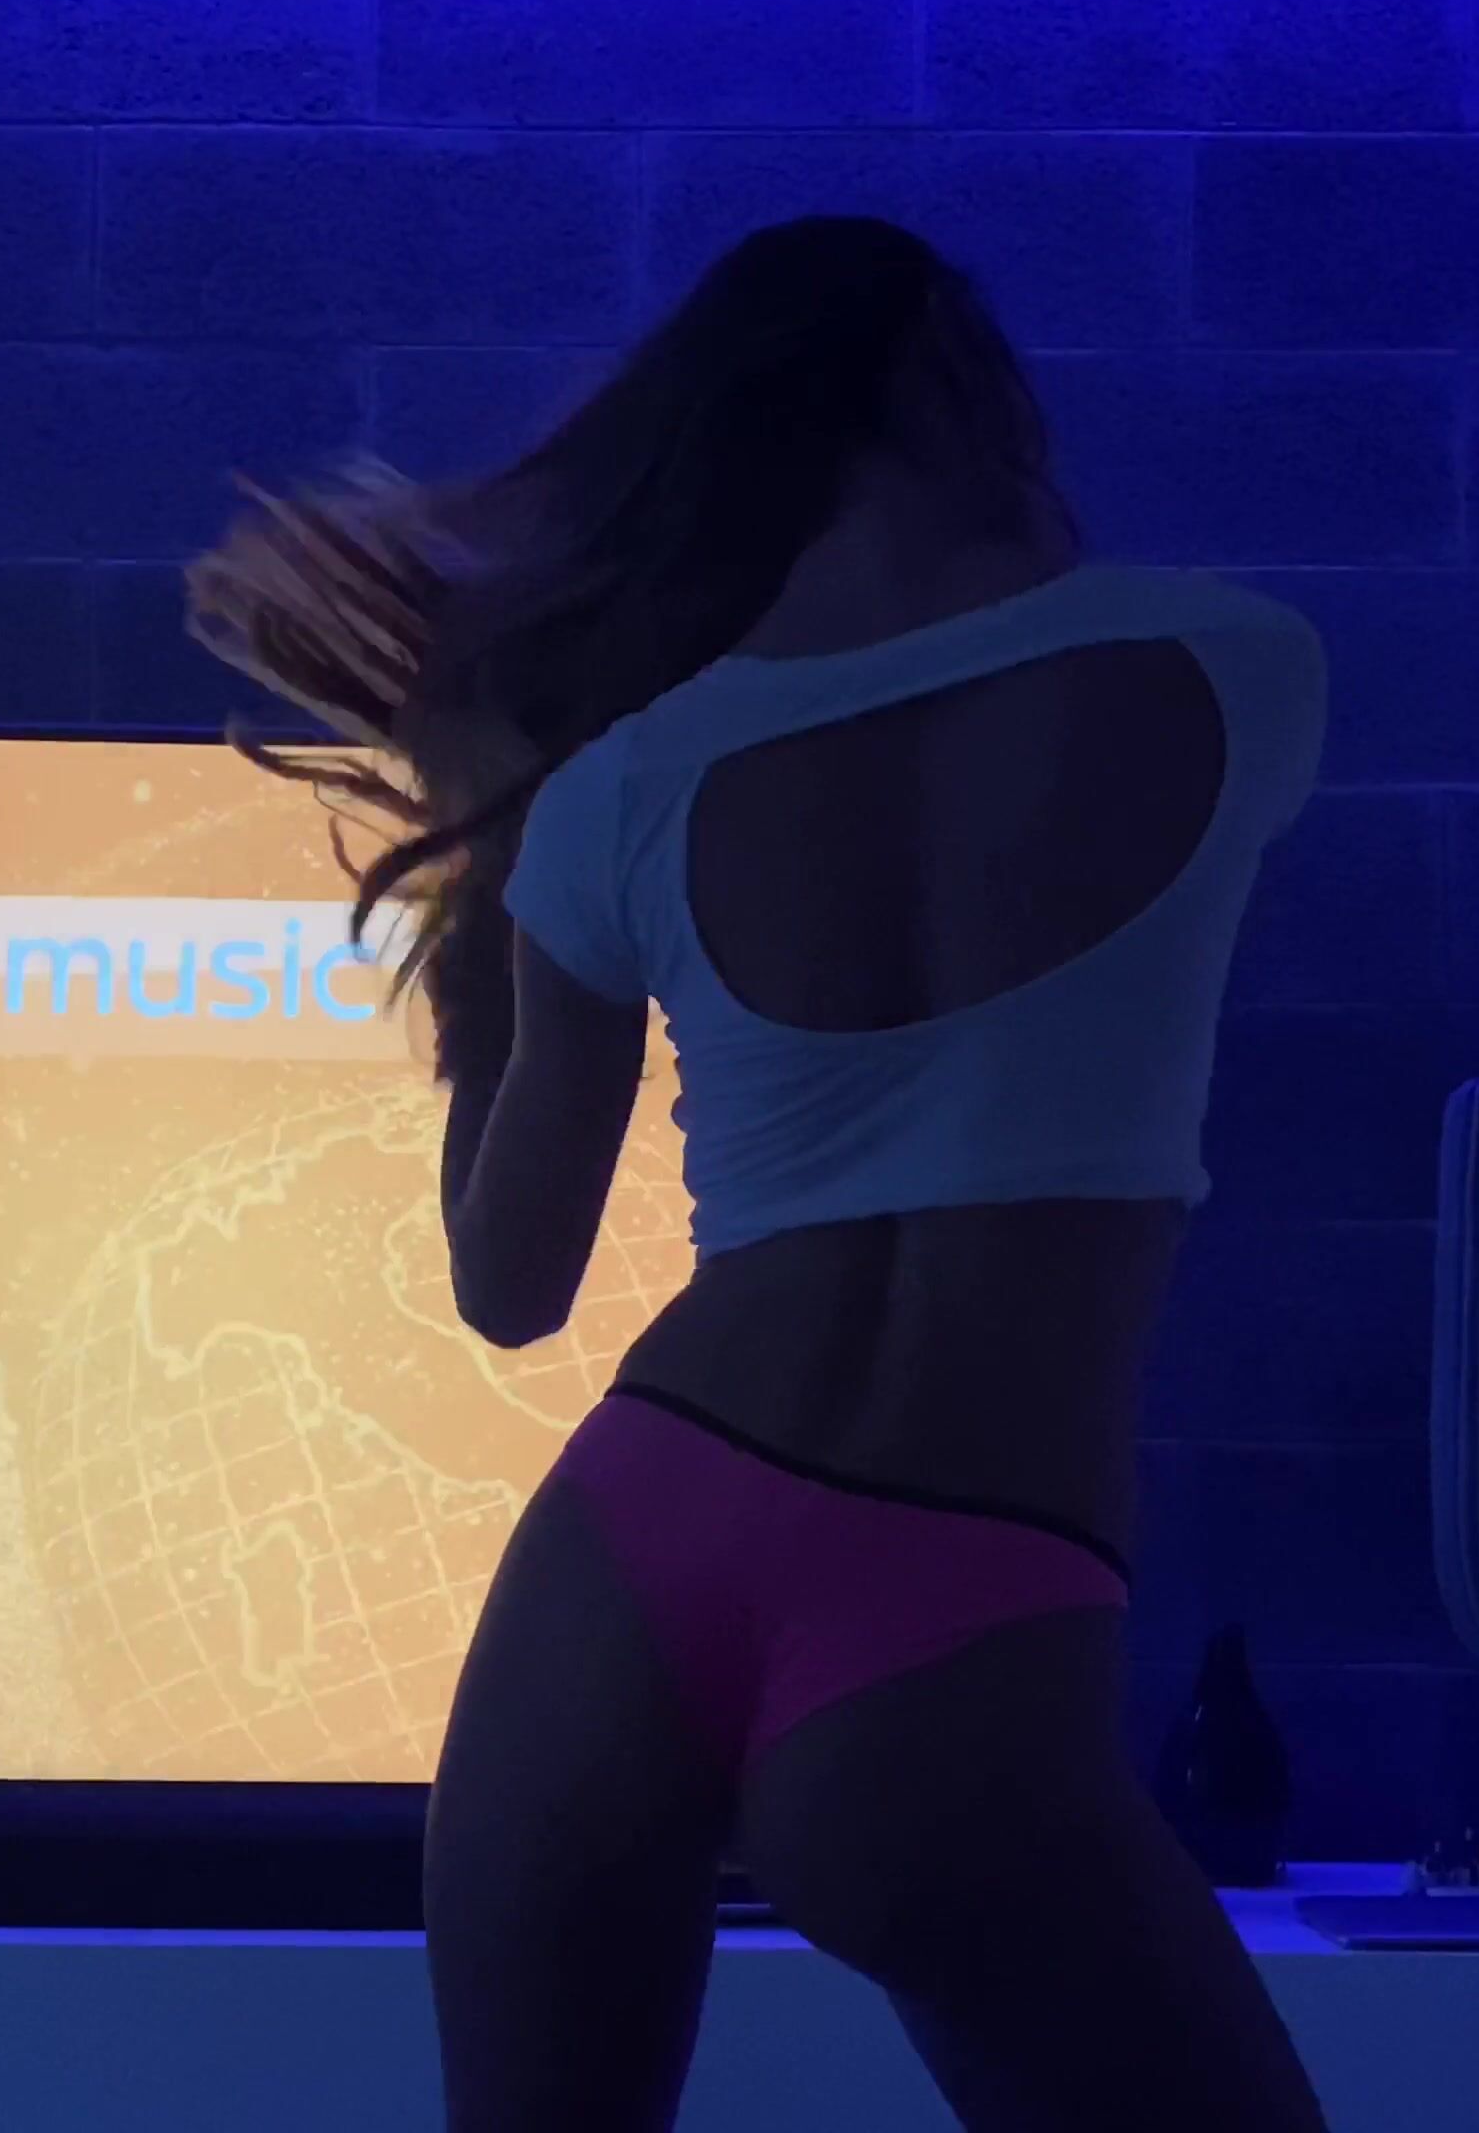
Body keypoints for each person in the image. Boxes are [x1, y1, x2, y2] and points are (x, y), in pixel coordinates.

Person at [190, 216, 1331, 2133]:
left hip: (636, 1550)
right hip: (964, 1585)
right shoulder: (1234, 666)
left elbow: (508, 1285)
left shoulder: (621, 789)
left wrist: (486, 891)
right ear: (956, 396)